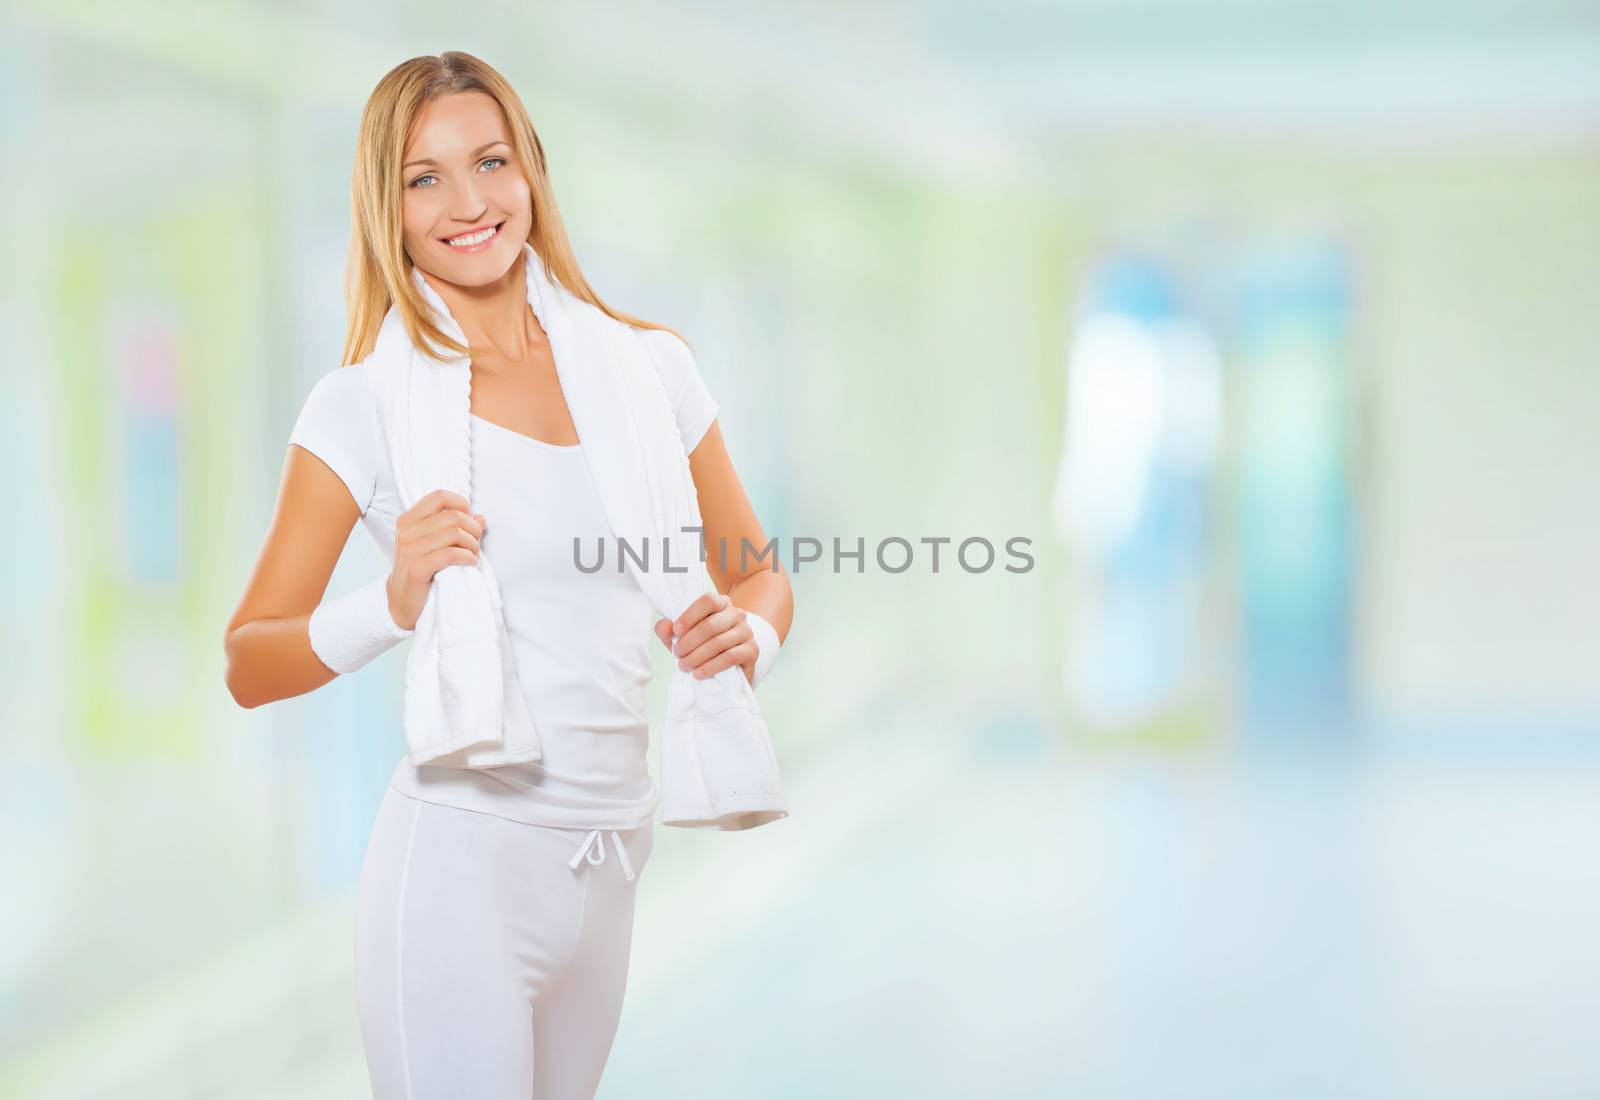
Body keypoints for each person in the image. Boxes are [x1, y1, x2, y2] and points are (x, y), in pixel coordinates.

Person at [222, 51, 794, 1099]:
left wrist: (744, 637)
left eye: (490, 162)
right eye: (423, 177)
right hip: (458, 868)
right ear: (383, 206)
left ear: (530, 169)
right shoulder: (363, 405)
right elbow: (250, 662)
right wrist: (390, 600)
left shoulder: (649, 365)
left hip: (613, 857)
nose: (469, 202)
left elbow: (758, 576)